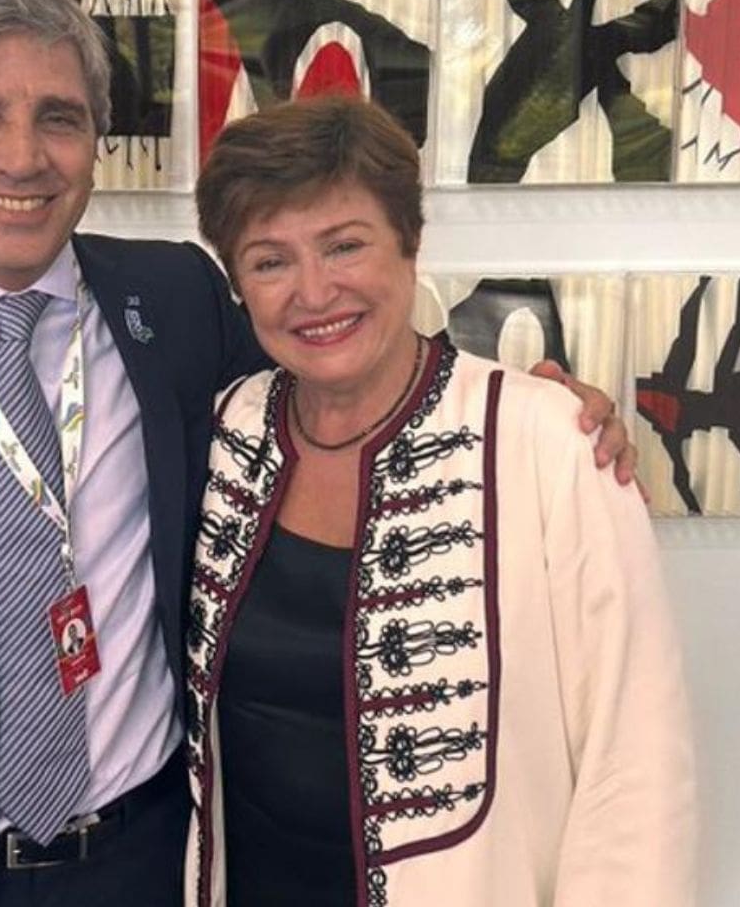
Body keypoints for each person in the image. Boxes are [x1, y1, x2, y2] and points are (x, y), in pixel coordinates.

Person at [0, 0, 635, 907]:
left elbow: (336, 362)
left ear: (96, 141)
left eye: (59, 118)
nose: (22, 157)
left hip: (153, 862)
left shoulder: (175, 298)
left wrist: (520, 413)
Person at [184, 96, 696, 906]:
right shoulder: (223, 430)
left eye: (345, 245)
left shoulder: (552, 442)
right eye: (270, 261)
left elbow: (635, 760)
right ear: (239, 286)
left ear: (409, 243)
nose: (314, 291)